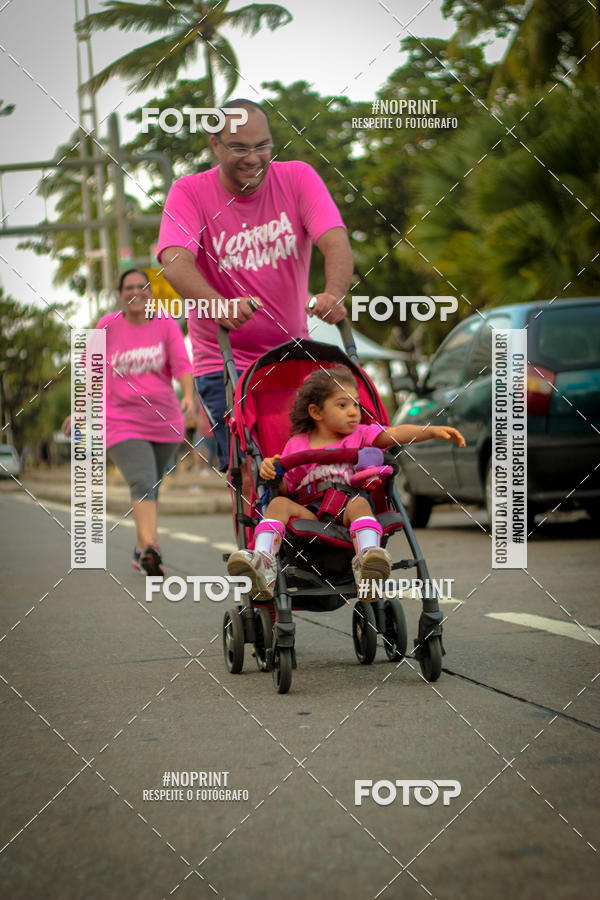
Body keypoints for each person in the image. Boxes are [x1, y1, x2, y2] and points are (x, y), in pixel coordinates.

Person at [156, 98, 354, 474]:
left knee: (307, 461)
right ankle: (260, 531)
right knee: (251, 470)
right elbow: (174, 261)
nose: (253, 157)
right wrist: (220, 306)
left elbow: (335, 239)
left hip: (290, 357)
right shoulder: (189, 192)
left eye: (262, 146)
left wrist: (334, 292)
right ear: (215, 145)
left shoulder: (297, 178)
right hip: (223, 362)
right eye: (239, 147)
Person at [226, 367, 466, 600]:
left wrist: (430, 431)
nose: (353, 411)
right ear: (316, 412)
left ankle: (368, 562)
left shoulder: (361, 434)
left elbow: (395, 433)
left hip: (346, 509)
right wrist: (272, 473)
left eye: (355, 404)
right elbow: (288, 489)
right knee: (278, 503)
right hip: (310, 514)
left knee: (360, 502)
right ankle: (263, 562)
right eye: (343, 405)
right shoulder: (296, 444)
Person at [63, 269, 194, 576]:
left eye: (142, 286)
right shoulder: (107, 325)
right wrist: (79, 411)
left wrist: (188, 395)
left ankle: (141, 550)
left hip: (165, 422)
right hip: (122, 421)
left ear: (149, 292)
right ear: (119, 293)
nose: (136, 291)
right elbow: (92, 372)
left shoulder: (166, 324)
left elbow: (182, 365)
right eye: (129, 287)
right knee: (142, 482)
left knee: (151, 485)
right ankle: (151, 547)